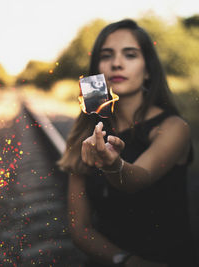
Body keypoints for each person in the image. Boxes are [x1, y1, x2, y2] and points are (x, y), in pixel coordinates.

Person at [59, 19, 197, 266]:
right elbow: (80, 229)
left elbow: (138, 179)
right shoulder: (86, 132)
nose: (116, 63)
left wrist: (114, 165)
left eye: (130, 55)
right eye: (106, 55)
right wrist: (126, 261)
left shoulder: (174, 127)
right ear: (97, 69)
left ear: (148, 69)